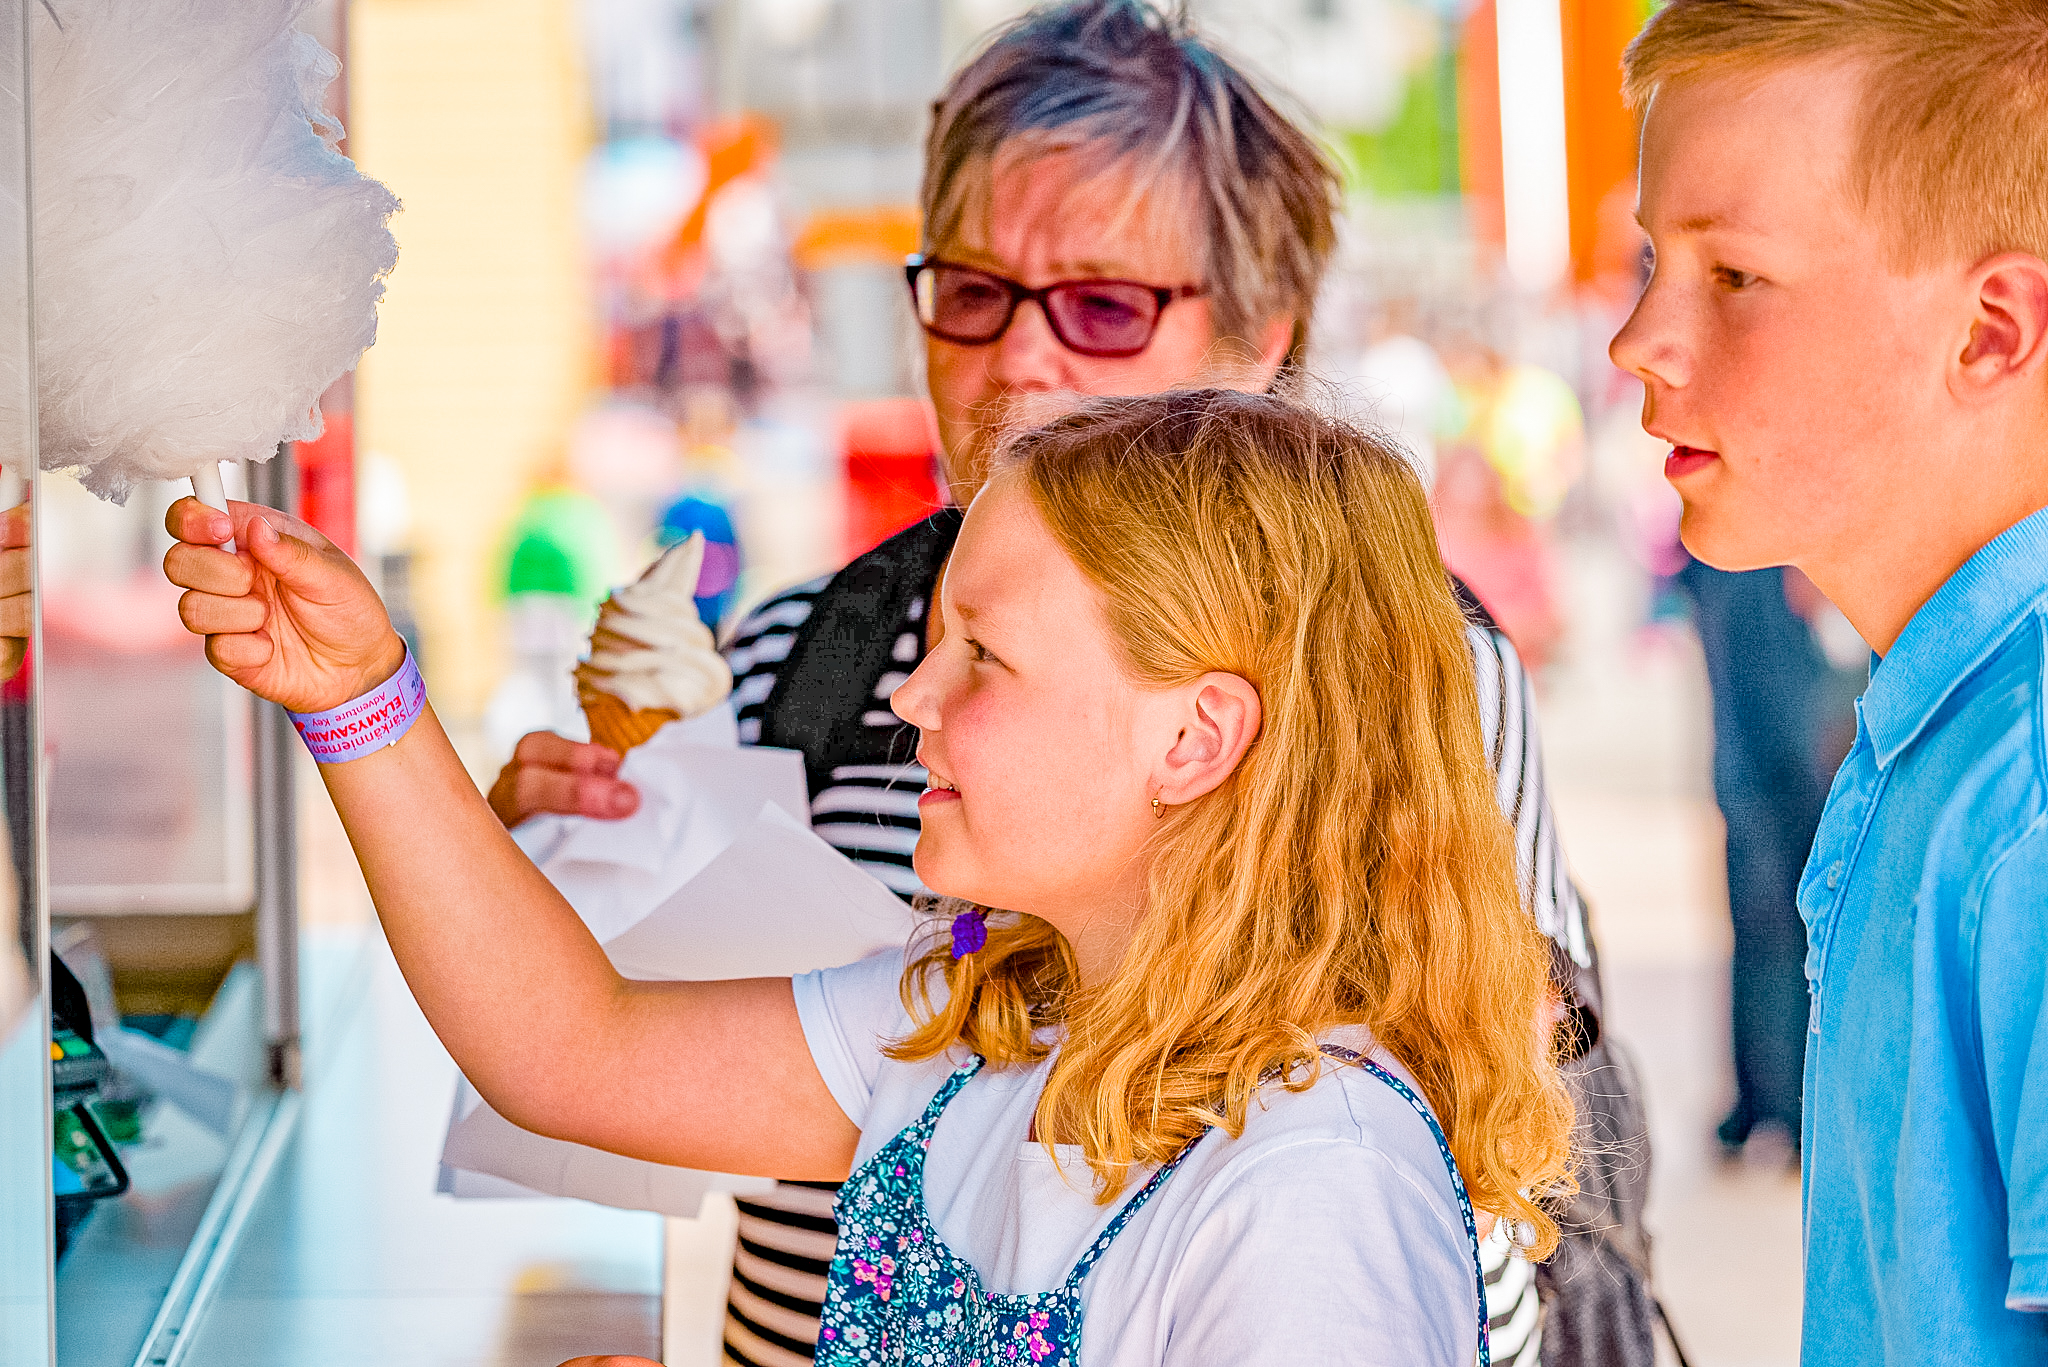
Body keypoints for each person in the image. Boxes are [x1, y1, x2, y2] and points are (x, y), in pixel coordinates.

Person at [491, 7, 1638, 1364]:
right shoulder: (799, 650)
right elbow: (612, 1049)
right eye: (972, 293)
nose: (1022, 359)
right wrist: (563, 850)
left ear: (1261, 344)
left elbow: (1460, 1126)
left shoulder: (1394, 670)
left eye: (1103, 305)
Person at [163, 389, 1577, 1366]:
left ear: (1197, 737)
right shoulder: (979, 1015)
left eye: (985, 654)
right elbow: (567, 1045)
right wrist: (362, 699)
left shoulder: (1308, 1194)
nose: (909, 695)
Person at [1614, 3, 2048, 1362]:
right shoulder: (1947, 730)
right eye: (1652, 261)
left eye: (1733, 275)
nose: (1640, 341)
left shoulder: (2028, 799)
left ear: (1987, 332)